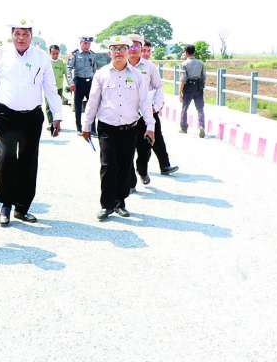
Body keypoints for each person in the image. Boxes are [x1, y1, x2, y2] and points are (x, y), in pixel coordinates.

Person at [0, 19, 62, 226]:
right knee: (7, 158)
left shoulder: (41, 57)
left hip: (32, 116)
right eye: (17, 34)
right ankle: (6, 204)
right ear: (12, 34)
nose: (21, 38)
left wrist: (57, 114)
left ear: (32, 35)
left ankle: (22, 208)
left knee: (28, 161)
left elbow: (50, 87)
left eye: (25, 34)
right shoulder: (0, 54)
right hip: (6, 115)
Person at [83, 35, 155, 221]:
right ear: (110, 52)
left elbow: (145, 102)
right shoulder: (101, 74)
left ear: (128, 51)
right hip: (107, 128)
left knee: (125, 165)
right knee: (108, 165)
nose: (118, 52)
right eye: (114, 49)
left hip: (130, 128)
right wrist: (86, 125)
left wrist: (150, 126)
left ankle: (120, 202)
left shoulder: (137, 76)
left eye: (122, 48)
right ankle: (106, 205)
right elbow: (93, 101)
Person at [126, 34, 178, 186]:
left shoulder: (149, 67)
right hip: (127, 115)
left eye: (137, 46)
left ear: (141, 48)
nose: (134, 48)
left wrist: (156, 105)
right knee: (127, 149)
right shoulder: (121, 65)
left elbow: (159, 87)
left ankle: (143, 170)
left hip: (147, 113)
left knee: (145, 148)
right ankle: (130, 182)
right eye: (131, 45)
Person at [67, 36, 99, 136]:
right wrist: (71, 82)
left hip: (90, 82)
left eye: (89, 44)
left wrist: (95, 82)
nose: (87, 46)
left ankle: (92, 129)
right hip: (78, 82)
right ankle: (79, 128)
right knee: (78, 106)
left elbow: (94, 69)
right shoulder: (74, 54)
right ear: (80, 43)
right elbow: (69, 68)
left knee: (92, 106)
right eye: (85, 43)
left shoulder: (92, 54)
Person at [179, 44, 206, 137]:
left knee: (184, 108)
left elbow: (183, 79)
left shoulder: (184, 64)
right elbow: (204, 77)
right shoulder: (201, 63)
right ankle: (201, 126)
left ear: (186, 52)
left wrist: (180, 92)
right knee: (200, 108)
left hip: (188, 88)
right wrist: (201, 87)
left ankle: (184, 128)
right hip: (198, 87)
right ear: (194, 52)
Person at [46, 44, 67, 125]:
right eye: (53, 53)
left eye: (57, 53)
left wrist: (70, 84)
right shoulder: (47, 62)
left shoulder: (62, 62)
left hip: (59, 88)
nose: (55, 55)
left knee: (57, 106)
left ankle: (57, 124)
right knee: (49, 106)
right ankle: (51, 123)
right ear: (50, 53)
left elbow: (66, 73)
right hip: (49, 88)